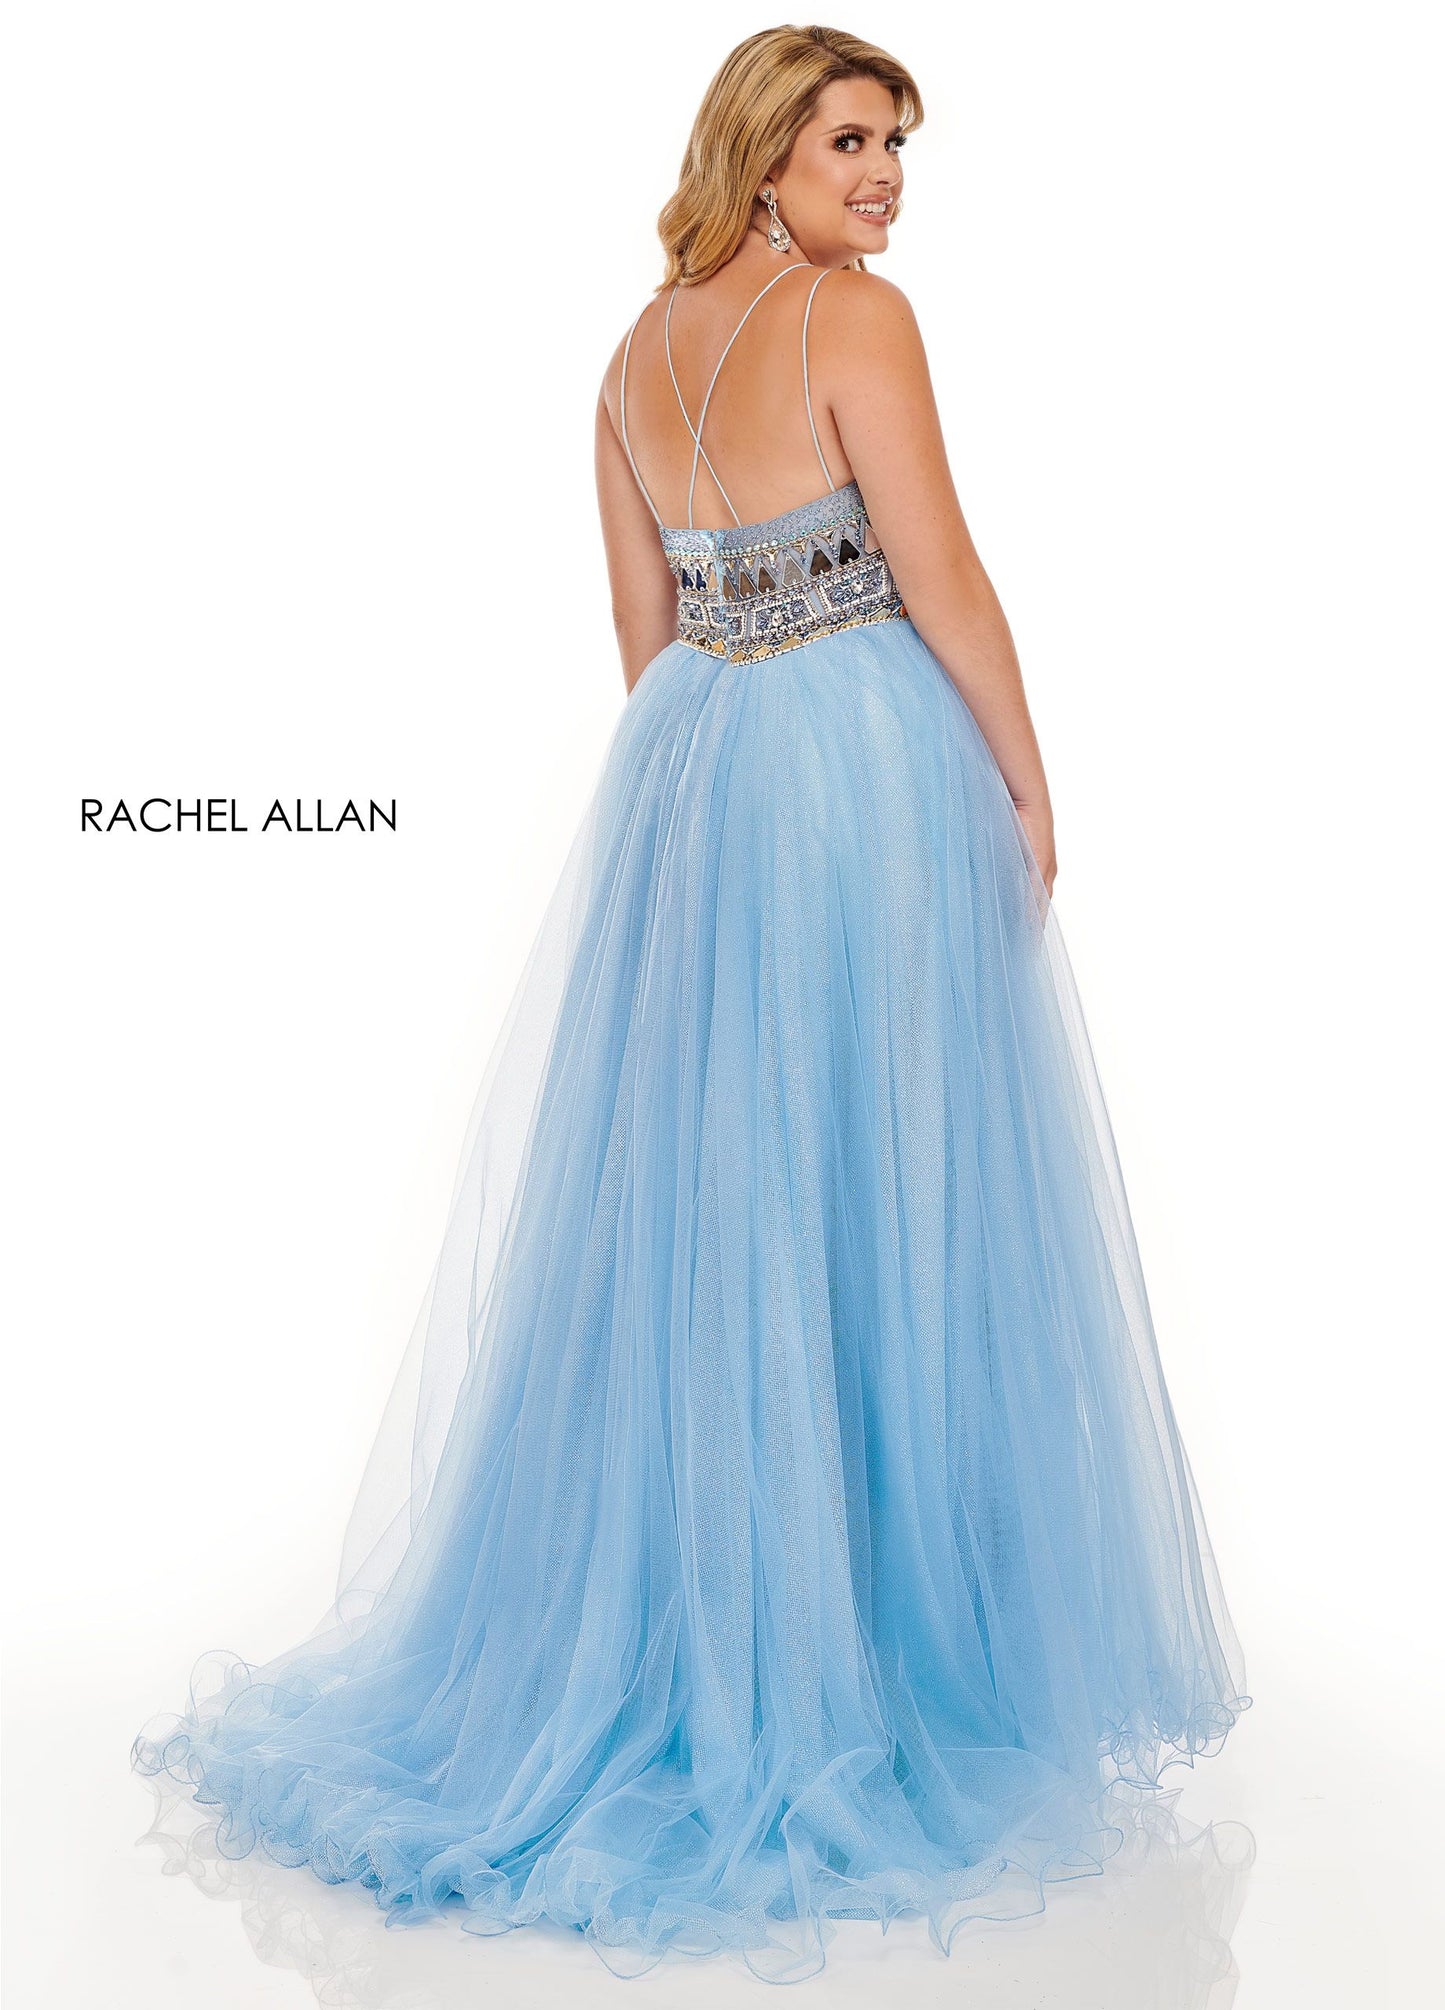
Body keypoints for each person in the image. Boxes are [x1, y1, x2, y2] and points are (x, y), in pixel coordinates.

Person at [131, 24, 1250, 1985]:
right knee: (882, 1190)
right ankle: (866, 1661)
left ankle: (729, 1628)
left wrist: (711, 769)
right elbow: (945, 576)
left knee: (723, 1211)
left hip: (697, 778)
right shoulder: (853, 318)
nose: (884, 175)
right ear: (763, 150)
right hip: (856, 772)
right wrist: (1026, 783)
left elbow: (642, 635)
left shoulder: (628, 359)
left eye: (895, 144)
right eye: (851, 138)